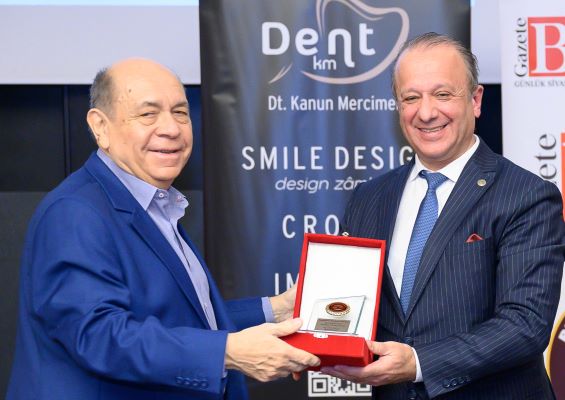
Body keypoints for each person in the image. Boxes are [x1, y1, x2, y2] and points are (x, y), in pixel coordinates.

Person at [6, 58, 319, 400]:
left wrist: (277, 309)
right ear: (101, 127)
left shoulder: (155, 205)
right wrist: (226, 352)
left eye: (180, 113)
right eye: (148, 114)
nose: (171, 128)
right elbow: (98, 335)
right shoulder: (74, 213)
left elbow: (181, 320)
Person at [322, 33, 565, 399]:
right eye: (411, 97)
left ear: (476, 100)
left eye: (442, 94)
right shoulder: (369, 198)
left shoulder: (525, 195)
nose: (426, 112)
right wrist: (315, 339)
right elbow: (348, 304)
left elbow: (524, 324)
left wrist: (419, 362)